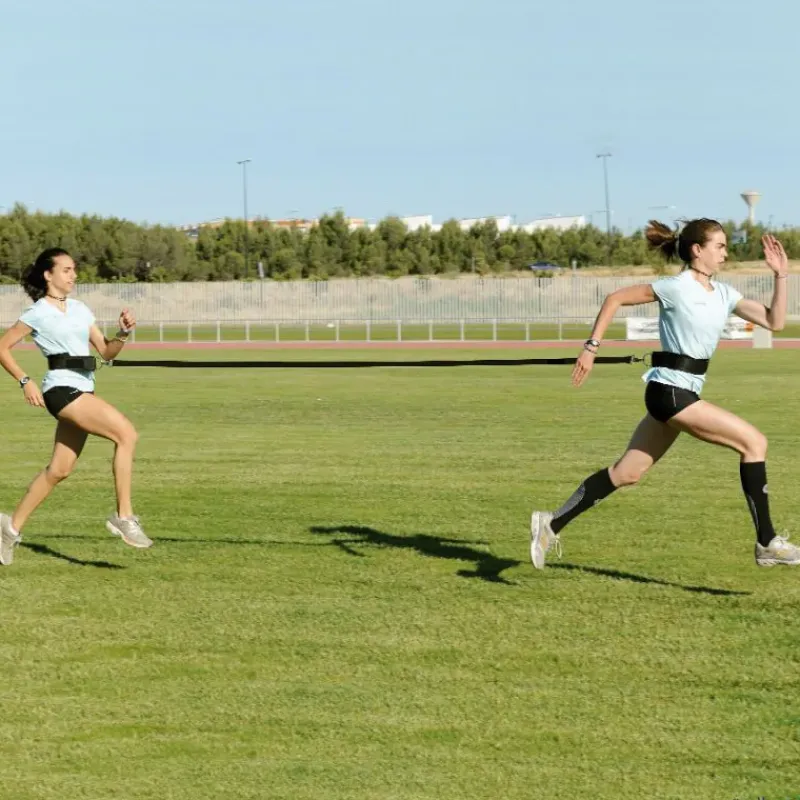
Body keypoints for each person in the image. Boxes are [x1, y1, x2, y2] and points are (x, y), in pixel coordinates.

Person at [530, 218, 799, 569]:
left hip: (677, 394)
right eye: (719, 246)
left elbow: (774, 322)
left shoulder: (724, 294)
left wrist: (781, 275)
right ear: (697, 250)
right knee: (754, 443)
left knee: (626, 473)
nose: (725, 253)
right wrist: (591, 348)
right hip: (671, 393)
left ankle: (550, 524)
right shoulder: (676, 287)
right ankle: (766, 542)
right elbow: (615, 298)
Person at [0, 248, 152, 566]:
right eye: (66, 270)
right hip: (61, 390)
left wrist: (123, 333)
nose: (74, 275)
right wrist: (25, 381)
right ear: (48, 275)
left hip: (83, 389)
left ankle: (8, 530)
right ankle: (124, 516)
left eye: (74, 269)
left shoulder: (81, 309)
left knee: (59, 470)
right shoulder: (38, 312)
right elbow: (2, 347)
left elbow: (106, 352)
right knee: (126, 434)